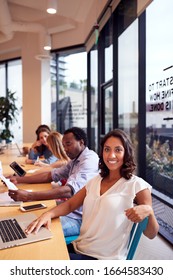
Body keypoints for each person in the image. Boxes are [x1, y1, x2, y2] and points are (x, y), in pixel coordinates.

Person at [24, 129, 159, 260]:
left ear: (126, 153)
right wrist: (48, 214)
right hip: (79, 247)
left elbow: (151, 234)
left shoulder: (137, 185)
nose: (111, 155)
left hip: (102, 258)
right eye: (107, 149)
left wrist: (149, 211)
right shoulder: (95, 180)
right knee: (35, 249)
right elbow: (70, 204)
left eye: (118, 150)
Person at [8, 127, 99, 237]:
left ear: (81, 142)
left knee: (29, 231)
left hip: (79, 218)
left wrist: (29, 196)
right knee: (26, 216)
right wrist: (19, 179)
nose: (65, 149)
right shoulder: (75, 160)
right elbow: (50, 175)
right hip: (68, 208)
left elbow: (69, 191)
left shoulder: (89, 160)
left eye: (68, 144)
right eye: (64, 145)